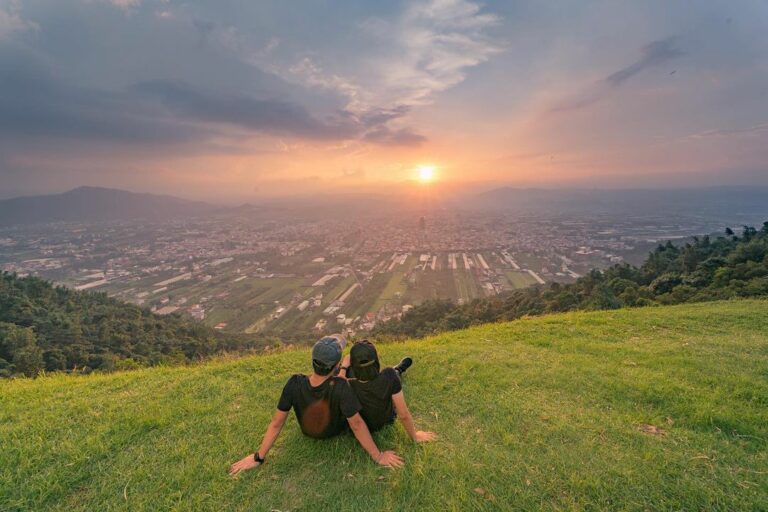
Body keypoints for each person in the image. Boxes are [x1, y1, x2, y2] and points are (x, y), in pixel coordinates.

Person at [229, 335, 403, 476]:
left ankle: (395, 371)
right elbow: (356, 425)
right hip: (333, 431)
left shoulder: (294, 383)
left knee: (346, 362)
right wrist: (378, 456)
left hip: (309, 431)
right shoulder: (341, 386)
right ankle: (396, 372)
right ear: (335, 366)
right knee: (357, 370)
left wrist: (258, 457)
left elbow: (276, 422)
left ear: (313, 361)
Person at [339, 340, 437, 443]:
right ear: (376, 359)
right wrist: (415, 436)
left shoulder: (345, 384)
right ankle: (399, 369)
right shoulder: (389, 375)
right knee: (393, 373)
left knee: (352, 373)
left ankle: (397, 369)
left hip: (364, 424)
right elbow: (403, 414)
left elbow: (339, 379)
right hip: (387, 420)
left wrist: (344, 366)